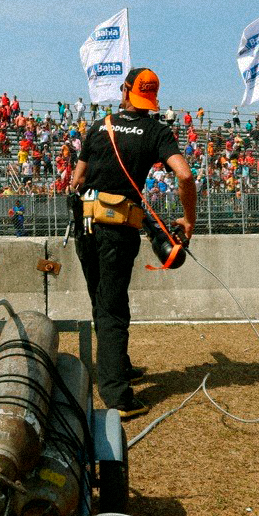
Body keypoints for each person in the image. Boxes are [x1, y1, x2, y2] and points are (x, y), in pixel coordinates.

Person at [71, 68, 196, 419]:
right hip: (117, 229)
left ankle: (118, 366)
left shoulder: (98, 126)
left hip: (84, 224)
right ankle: (116, 395)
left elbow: (76, 179)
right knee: (113, 308)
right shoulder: (156, 130)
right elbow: (184, 175)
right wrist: (189, 220)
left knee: (101, 299)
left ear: (124, 90)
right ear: (151, 97)